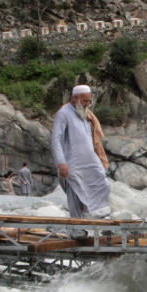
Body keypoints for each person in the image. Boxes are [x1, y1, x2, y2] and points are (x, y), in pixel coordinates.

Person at [51, 84, 111, 219]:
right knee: (75, 196)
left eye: (89, 101)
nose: (88, 104)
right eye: (85, 101)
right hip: (72, 164)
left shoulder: (84, 115)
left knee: (103, 183)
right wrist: (61, 163)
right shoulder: (63, 114)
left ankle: (98, 217)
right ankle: (77, 230)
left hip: (90, 162)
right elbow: (56, 140)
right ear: (75, 98)